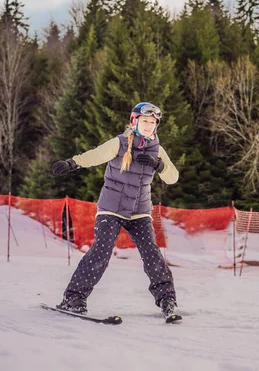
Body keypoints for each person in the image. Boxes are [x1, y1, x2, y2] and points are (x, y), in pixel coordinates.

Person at [51, 102, 181, 322]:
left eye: (152, 122)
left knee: (152, 252)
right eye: (144, 121)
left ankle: (167, 299)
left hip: (139, 211)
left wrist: (159, 165)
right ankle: (74, 298)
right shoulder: (120, 143)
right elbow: (95, 155)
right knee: (101, 250)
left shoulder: (158, 151)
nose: (148, 126)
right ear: (134, 121)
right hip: (111, 209)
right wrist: (72, 163)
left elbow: (173, 177)